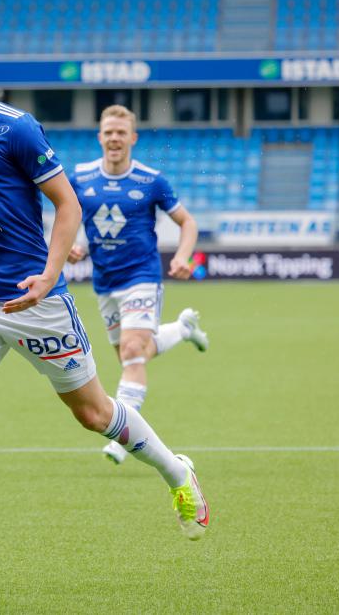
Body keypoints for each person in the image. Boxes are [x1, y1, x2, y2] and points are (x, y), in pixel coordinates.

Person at [0, 19, 210, 591]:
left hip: (35, 300)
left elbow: (67, 205)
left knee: (94, 415)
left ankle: (177, 471)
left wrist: (49, 276)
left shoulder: (15, 128)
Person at [67, 105, 209, 466]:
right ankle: (182, 329)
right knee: (134, 355)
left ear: (133, 138)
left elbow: (188, 222)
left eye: (121, 132)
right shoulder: (80, 177)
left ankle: (122, 436)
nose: (114, 138)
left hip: (142, 277)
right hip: (105, 282)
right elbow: (66, 215)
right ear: (99, 137)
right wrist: (70, 244)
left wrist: (183, 257)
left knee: (132, 350)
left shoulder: (151, 180)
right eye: (108, 132)